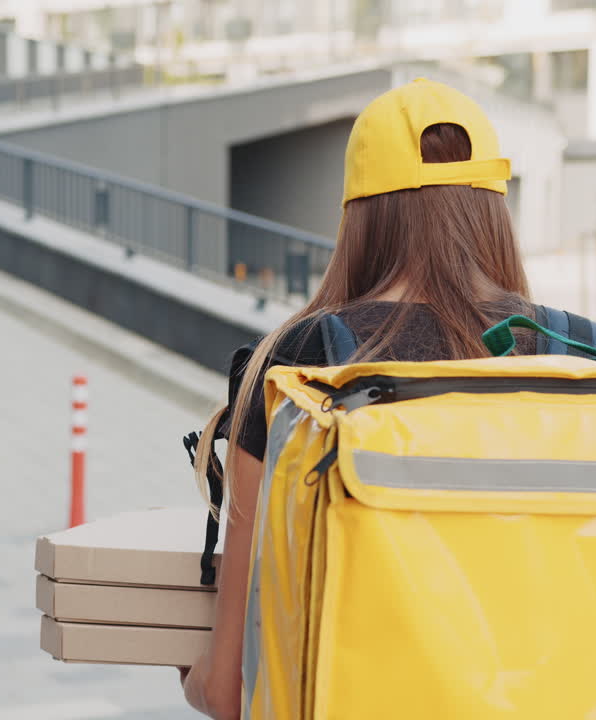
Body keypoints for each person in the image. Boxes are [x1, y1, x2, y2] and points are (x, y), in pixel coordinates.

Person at [182, 78, 556, 719]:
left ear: (359, 218)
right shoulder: (580, 351)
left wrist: (183, 660)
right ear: (493, 207)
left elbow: (229, 692)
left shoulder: (301, 364)